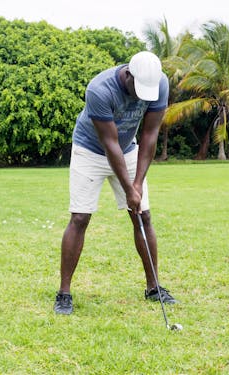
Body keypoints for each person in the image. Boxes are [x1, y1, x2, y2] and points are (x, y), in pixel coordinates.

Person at [54, 51, 177, 315]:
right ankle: (64, 292)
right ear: (128, 75)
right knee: (80, 218)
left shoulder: (159, 84)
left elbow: (150, 134)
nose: (142, 96)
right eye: (138, 88)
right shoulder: (100, 89)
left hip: (129, 149)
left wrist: (138, 184)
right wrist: (128, 187)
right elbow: (109, 145)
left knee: (143, 216)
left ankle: (153, 286)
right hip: (90, 150)